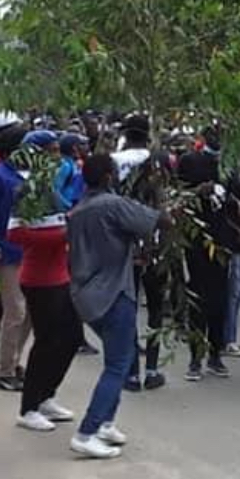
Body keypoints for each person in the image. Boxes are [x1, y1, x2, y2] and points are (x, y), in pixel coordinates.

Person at [67, 153, 165, 459]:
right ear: (109, 176)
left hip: (85, 293)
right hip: (111, 293)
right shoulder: (112, 204)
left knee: (120, 357)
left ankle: (106, 422)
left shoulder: (79, 209)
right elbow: (156, 221)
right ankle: (87, 432)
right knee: (118, 364)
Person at [173, 126, 240, 383]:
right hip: (196, 240)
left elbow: (236, 202)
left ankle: (215, 354)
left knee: (220, 299)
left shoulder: (230, 165)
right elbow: (175, 197)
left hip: (222, 241)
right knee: (197, 299)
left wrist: (239, 229)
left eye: (222, 134)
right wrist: (197, 192)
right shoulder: (189, 161)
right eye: (214, 134)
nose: (218, 138)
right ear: (204, 137)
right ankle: (195, 358)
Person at [10, 180, 82, 433]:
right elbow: (16, 235)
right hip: (39, 282)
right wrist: (63, 234)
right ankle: (28, 408)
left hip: (61, 279)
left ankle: (46, 395)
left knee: (72, 338)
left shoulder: (55, 201)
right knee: (46, 343)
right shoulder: (26, 203)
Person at [0, 126, 30, 391]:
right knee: (15, 311)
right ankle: (5, 370)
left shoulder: (27, 175)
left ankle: (15, 361)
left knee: (28, 313)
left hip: (28, 251)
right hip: (8, 252)